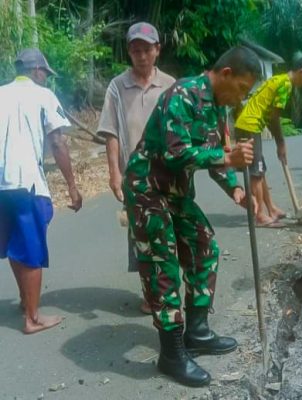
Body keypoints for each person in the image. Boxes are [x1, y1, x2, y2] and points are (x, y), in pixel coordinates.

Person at [123, 46, 261, 387]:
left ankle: (197, 332)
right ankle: (170, 353)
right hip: (147, 188)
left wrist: (236, 190)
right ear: (226, 74)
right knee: (163, 264)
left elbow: (216, 152)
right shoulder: (183, 95)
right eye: (242, 89)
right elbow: (176, 153)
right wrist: (227, 160)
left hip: (175, 191)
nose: (241, 98)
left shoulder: (218, 108)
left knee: (205, 246)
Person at [0, 48, 82, 334]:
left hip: (1, 185)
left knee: (13, 243)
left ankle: (26, 300)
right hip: (25, 183)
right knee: (32, 250)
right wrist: (72, 186)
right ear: (36, 71)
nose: (46, 79)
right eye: (45, 74)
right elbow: (58, 142)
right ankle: (32, 318)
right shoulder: (43, 95)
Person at [97, 22, 175, 314]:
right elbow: (111, 131)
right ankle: (150, 292)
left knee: (169, 231)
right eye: (135, 50)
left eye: (146, 49)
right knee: (140, 237)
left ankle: (168, 289)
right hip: (134, 176)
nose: (141, 55)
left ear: (157, 50)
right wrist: (114, 174)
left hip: (168, 174)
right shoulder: (117, 87)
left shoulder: (170, 84)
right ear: (129, 52)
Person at [234, 58, 302, 226]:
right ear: (301, 71)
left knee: (260, 169)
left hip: (248, 124)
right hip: (250, 125)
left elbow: (270, 116)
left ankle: (272, 209)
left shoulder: (277, 79)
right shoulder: (285, 85)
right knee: (256, 173)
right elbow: (274, 118)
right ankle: (260, 216)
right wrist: (281, 144)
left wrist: (280, 143)